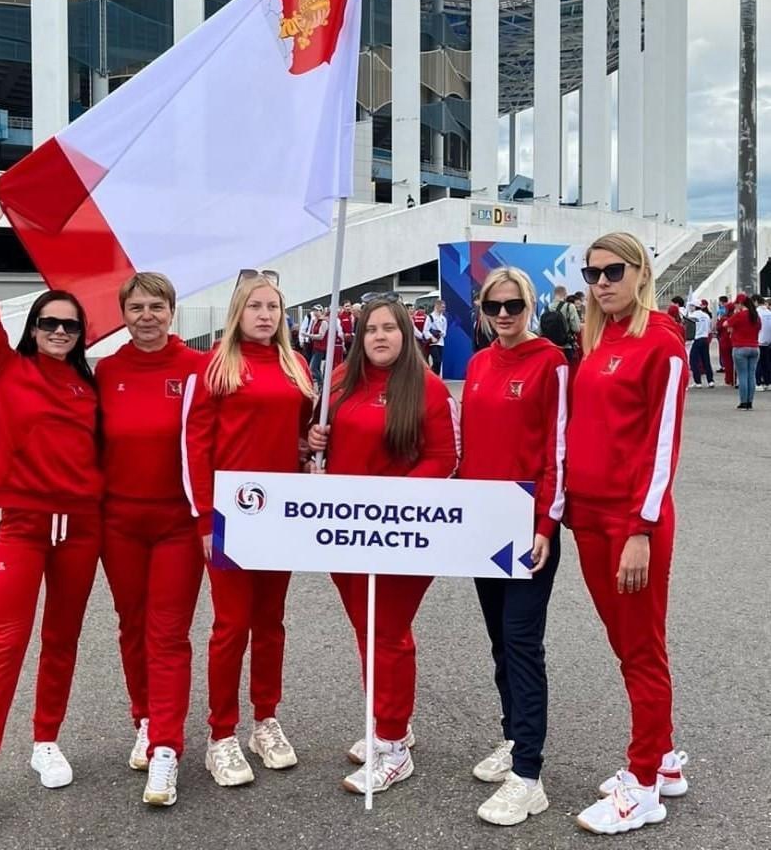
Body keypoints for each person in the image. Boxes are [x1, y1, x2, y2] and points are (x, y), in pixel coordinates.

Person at [0, 179, 102, 842]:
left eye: (70, 325)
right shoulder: (6, 372)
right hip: (24, 528)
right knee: (7, 645)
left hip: (83, 531)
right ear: (33, 328)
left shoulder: (89, 385)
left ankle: (46, 741)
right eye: (49, 323)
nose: (60, 332)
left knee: (62, 642)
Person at [307, 297, 459, 796]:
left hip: (403, 537)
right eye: (371, 329)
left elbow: (444, 458)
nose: (379, 337)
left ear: (406, 334)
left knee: (387, 631)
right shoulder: (338, 384)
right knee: (365, 629)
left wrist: (394, 503)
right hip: (344, 534)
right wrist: (314, 440)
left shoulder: (430, 390)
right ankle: (388, 719)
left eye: (389, 328)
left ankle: (393, 743)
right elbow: (318, 450)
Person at [564, 232, 688, 835]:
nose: (603, 282)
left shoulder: (661, 342)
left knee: (641, 649)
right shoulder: (598, 338)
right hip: (587, 516)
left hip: (629, 522)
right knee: (625, 643)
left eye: (614, 270)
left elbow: (663, 445)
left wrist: (642, 527)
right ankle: (662, 761)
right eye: (593, 273)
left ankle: (643, 785)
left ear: (640, 272)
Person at [183, 270, 314, 786]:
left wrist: (314, 440)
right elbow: (195, 448)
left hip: (281, 515)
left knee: (271, 623)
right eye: (256, 306)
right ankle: (221, 735)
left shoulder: (297, 365)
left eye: (274, 308)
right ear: (238, 311)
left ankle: (265, 719)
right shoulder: (215, 366)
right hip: (231, 517)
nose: (265, 315)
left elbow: (302, 436)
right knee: (231, 625)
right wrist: (204, 520)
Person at [96, 271, 207, 808]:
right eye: (136, 307)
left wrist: (309, 435)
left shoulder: (197, 369)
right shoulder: (107, 371)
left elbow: (246, 420)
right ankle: (143, 717)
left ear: (172, 311)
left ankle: (167, 747)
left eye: (156, 307)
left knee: (168, 635)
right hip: (118, 522)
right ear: (124, 313)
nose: (146, 316)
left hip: (177, 525)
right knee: (131, 627)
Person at [461, 267, 567, 827]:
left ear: (530, 305)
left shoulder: (551, 362)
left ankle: (529, 774)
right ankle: (511, 737)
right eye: (494, 306)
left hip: (528, 530)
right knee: (501, 642)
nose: (504, 315)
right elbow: (470, 446)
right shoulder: (477, 364)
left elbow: (557, 447)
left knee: (523, 643)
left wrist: (547, 524)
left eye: (514, 305)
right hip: (485, 527)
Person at [728, 293, 761, 410]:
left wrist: (736, 313)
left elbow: (726, 324)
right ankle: (750, 402)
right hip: (755, 347)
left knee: (742, 375)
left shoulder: (739, 315)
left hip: (740, 346)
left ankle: (743, 402)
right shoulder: (755, 316)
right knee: (751, 375)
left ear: (740, 304)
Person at [538, 285, 580, 362]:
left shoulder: (546, 308)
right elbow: (576, 328)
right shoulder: (570, 307)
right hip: (566, 348)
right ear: (565, 294)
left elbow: (539, 331)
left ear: (554, 294)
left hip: (550, 348)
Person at [686, 302, 714, 387]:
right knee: (706, 360)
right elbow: (709, 328)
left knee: (694, 361)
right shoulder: (706, 316)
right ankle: (710, 381)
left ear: (694, 307)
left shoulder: (692, 316)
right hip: (705, 339)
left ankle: (698, 382)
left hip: (696, 339)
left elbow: (689, 330)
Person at [423, 299, 447, 376]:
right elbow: (425, 330)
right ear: (437, 306)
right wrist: (432, 337)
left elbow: (444, 331)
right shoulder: (430, 317)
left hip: (440, 342)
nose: (444, 309)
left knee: (439, 362)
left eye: (444, 307)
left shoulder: (443, 318)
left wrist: (441, 334)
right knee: (436, 360)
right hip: (432, 343)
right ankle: (432, 375)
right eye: (442, 307)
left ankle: (435, 376)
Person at [717, 301, 735, 386]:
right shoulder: (736, 317)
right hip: (734, 341)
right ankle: (736, 378)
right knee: (736, 362)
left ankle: (729, 379)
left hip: (725, 341)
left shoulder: (724, 318)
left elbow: (718, 328)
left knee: (727, 362)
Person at [755, 296, 771, 390]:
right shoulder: (769, 313)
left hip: (758, 340)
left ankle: (758, 383)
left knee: (758, 363)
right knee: (766, 363)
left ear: (756, 302)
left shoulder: (757, 313)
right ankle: (768, 382)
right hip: (768, 341)